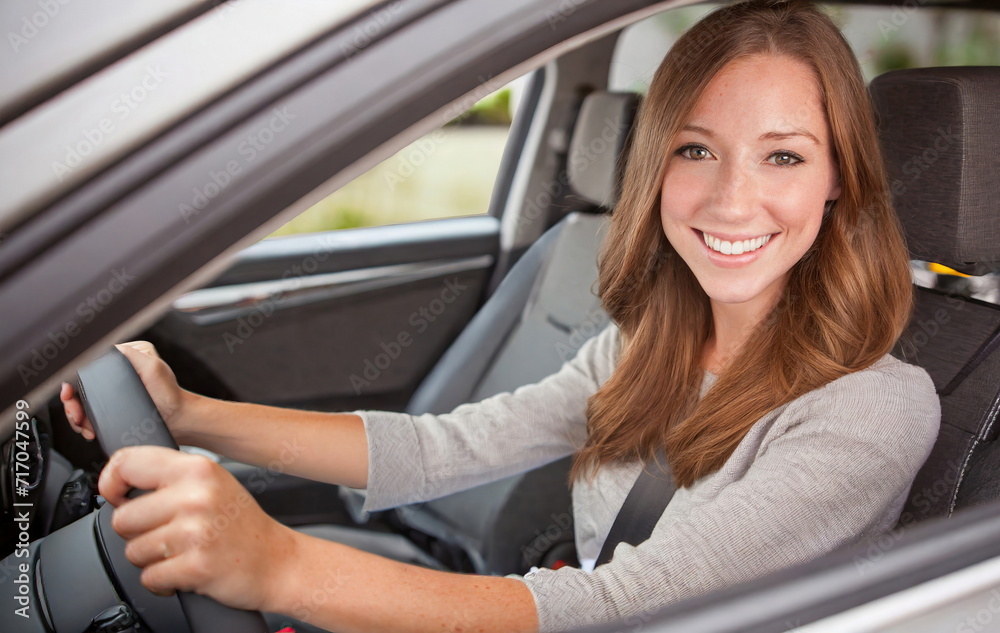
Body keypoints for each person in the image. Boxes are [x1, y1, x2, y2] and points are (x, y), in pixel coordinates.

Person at [61, 1, 940, 631]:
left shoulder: (875, 407)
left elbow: (624, 606)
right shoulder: (645, 347)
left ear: (839, 184)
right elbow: (443, 448)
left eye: (783, 156)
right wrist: (190, 415)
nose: (731, 199)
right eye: (696, 149)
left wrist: (283, 566)